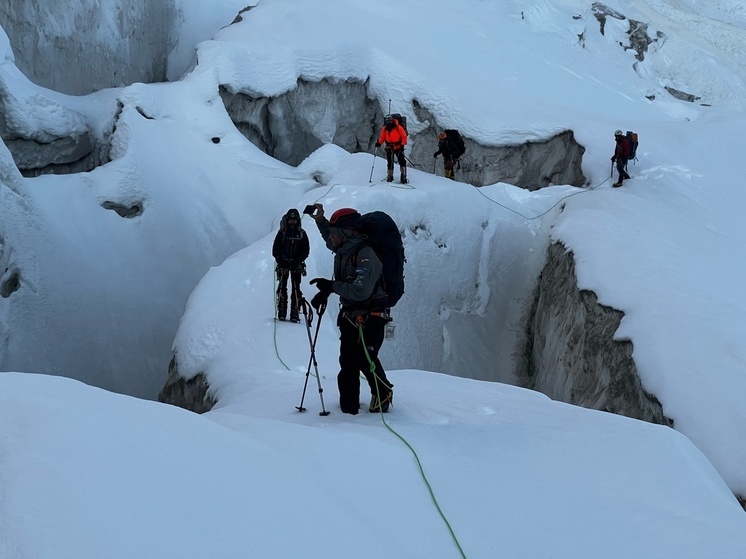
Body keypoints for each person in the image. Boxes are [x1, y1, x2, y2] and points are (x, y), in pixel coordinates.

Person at [308, 204, 394, 415]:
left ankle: (383, 393)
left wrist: (331, 287)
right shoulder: (345, 248)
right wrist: (321, 221)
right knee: (348, 361)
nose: (332, 240)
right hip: (350, 316)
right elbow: (331, 237)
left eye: (336, 234)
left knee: (365, 359)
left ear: (347, 233)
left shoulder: (366, 254)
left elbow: (361, 290)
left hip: (371, 316)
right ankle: (348, 410)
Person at [272, 208, 309, 322]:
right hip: (284, 264)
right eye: (290, 219)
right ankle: (282, 310)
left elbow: (306, 250)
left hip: (295, 265)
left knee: (295, 288)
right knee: (283, 287)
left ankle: (295, 311)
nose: (292, 221)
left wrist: (297, 260)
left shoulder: (301, 233)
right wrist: (280, 260)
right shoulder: (282, 233)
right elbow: (275, 250)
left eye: (294, 219)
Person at [375, 115, 408, 184]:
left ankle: (403, 176)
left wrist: (402, 145)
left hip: (398, 147)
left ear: (392, 120)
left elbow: (404, 136)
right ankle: (390, 176)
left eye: (390, 120)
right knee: (390, 162)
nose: (389, 122)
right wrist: (379, 143)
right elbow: (382, 137)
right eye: (387, 121)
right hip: (389, 147)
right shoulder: (385, 129)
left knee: (402, 161)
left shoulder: (398, 127)